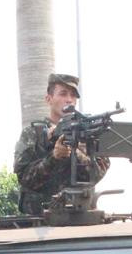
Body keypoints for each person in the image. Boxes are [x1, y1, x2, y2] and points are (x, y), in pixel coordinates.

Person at [13, 73, 110, 215]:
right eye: (63, 94)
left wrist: (75, 151)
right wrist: (53, 157)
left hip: (82, 216)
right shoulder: (33, 133)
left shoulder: (88, 133)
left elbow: (97, 174)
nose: (69, 100)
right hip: (41, 219)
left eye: (73, 95)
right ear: (49, 99)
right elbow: (25, 179)